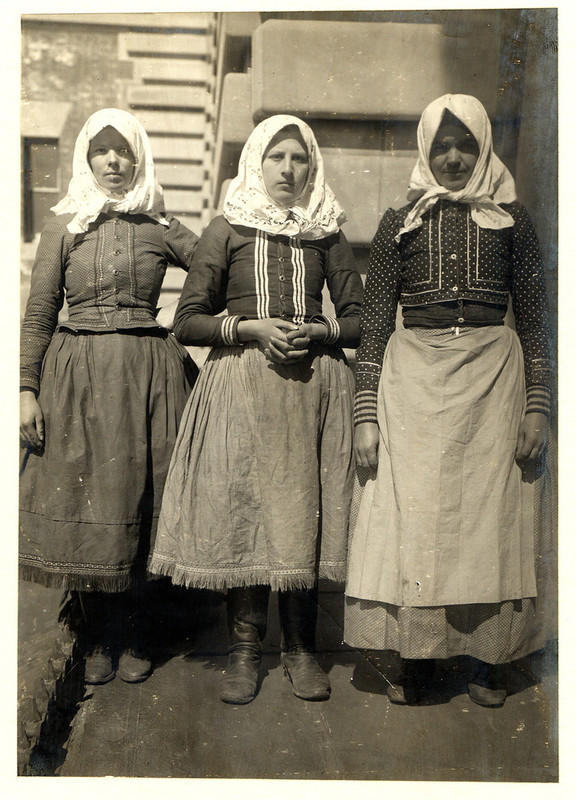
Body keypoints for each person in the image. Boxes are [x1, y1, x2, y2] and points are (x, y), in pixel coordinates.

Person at [344, 94, 554, 708]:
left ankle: (491, 659)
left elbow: (539, 322)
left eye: (465, 145)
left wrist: (538, 403)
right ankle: (417, 658)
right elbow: (378, 322)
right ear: (426, 151)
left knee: (491, 521)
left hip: (494, 381)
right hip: (412, 385)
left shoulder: (514, 220)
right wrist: (365, 414)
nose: (455, 157)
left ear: (484, 146)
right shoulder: (398, 223)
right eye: (442, 146)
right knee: (419, 520)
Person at [149, 114, 363, 704]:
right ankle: (244, 651)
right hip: (240, 387)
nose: (288, 171)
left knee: (301, 514)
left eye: (299, 160)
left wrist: (317, 332)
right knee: (245, 511)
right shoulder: (227, 228)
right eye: (277, 158)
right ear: (256, 164)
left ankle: (300, 650)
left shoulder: (327, 232)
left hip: (311, 391)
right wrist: (250, 327)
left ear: (311, 167)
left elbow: (360, 320)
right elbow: (186, 318)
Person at [19, 108, 199, 685]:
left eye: (124, 152)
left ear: (139, 157)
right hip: (78, 379)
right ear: (87, 158)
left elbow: (214, 269)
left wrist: (199, 320)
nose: (114, 162)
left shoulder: (157, 224)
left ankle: (140, 632)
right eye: (103, 151)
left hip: (149, 374)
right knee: (86, 495)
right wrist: (25, 388)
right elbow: (40, 313)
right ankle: (98, 635)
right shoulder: (63, 227)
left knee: (145, 494)